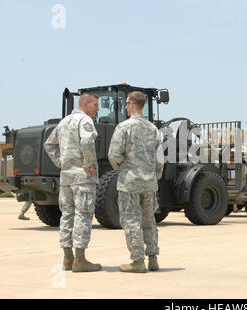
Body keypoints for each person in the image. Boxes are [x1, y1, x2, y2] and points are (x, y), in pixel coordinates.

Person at [44, 92, 102, 272]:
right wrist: (91, 164)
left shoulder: (64, 122)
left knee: (67, 214)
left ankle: (67, 258)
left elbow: (49, 144)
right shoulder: (84, 121)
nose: (98, 108)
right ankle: (80, 259)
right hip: (82, 177)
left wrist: (61, 162)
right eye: (95, 104)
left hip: (66, 177)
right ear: (86, 104)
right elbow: (86, 141)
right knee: (83, 215)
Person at [108, 91, 164, 273]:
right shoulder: (153, 129)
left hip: (129, 182)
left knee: (132, 221)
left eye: (126, 103)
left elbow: (113, 155)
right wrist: (154, 177)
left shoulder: (123, 127)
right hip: (149, 183)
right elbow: (160, 159)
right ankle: (153, 258)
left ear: (132, 104)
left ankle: (138, 261)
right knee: (149, 221)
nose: (125, 106)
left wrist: (121, 169)